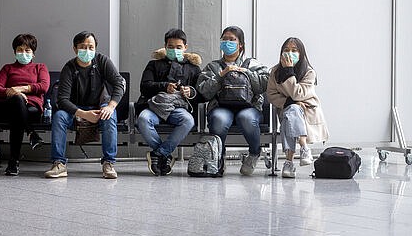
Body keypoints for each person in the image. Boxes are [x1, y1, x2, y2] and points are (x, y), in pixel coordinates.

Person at [44, 31, 125, 179]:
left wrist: (111, 105)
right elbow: (62, 99)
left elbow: (119, 83)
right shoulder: (69, 67)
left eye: (91, 47)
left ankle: (108, 162)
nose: (87, 51)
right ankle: (59, 164)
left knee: (110, 115)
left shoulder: (102, 61)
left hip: (100, 106)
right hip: (75, 109)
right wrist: (83, 114)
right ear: (75, 49)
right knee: (59, 116)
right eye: (83, 47)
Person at [197, 26, 268, 176]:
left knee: (246, 118)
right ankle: (218, 158)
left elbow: (265, 84)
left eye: (232, 39)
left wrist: (247, 73)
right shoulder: (213, 66)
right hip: (222, 107)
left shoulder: (252, 64)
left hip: (249, 107)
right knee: (219, 119)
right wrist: (221, 75)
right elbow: (203, 91)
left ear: (240, 44)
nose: (227, 42)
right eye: (225, 39)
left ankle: (254, 154)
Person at [135, 28, 202, 176]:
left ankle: (159, 153)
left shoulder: (194, 69)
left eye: (178, 47)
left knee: (188, 121)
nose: (174, 50)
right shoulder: (153, 64)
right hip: (153, 105)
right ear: (165, 47)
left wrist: (190, 92)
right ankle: (165, 156)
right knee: (143, 119)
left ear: (185, 47)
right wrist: (164, 86)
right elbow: (144, 87)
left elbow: (201, 94)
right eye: (170, 47)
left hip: (177, 108)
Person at [267, 37, 329, 178]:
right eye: (286, 50)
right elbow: (271, 95)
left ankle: (288, 162)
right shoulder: (275, 71)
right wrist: (290, 102)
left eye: (294, 51)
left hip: (307, 112)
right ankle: (304, 147)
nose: (290, 53)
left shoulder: (309, 72)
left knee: (291, 115)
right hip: (287, 109)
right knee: (292, 110)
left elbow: (298, 93)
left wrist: (289, 72)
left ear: (301, 53)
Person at [0, 34, 50, 176]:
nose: (23, 53)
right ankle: (31, 133)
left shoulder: (40, 67)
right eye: (20, 50)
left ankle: (13, 162)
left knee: (16, 116)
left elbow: (44, 86)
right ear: (14, 52)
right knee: (17, 103)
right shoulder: (7, 68)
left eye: (27, 50)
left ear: (33, 53)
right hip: (9, 106)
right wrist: (12, 93)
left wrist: (20, 89)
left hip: (32, 109)